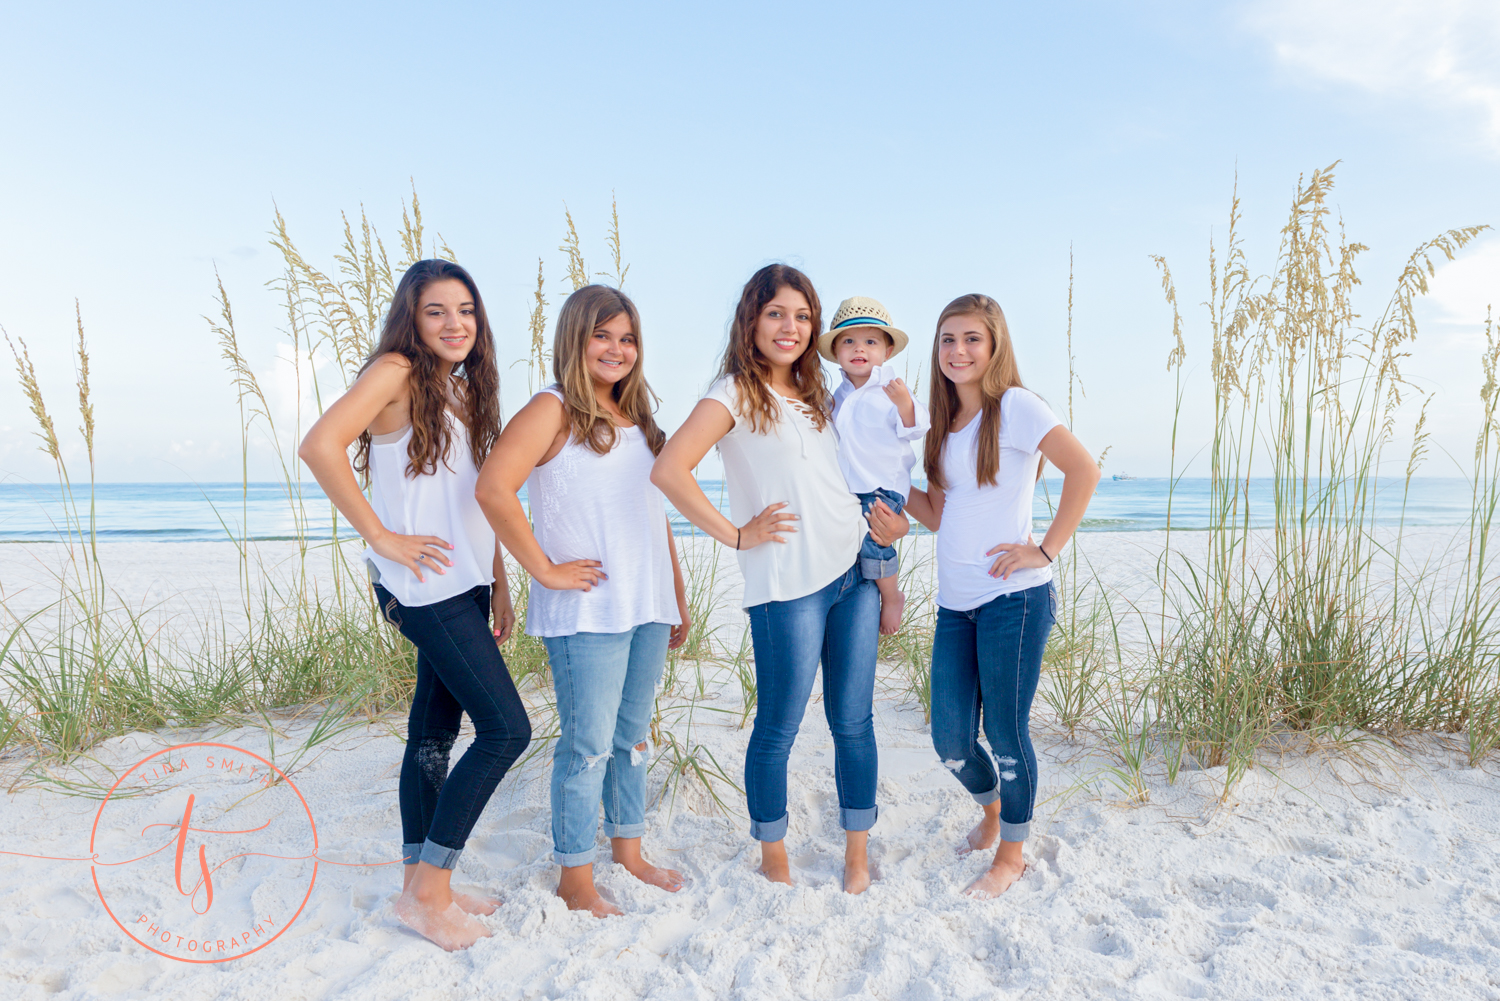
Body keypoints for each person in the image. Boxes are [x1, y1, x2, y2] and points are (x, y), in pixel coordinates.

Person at [651, 264, 909, 894]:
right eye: (775, 314)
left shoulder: (820, 395)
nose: (790, 327)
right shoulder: (734, 392)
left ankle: (856, 854)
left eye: (801, 316)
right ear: (752, 320)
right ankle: (774, 856)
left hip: (853, 571)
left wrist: (889, 557)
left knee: (854, 722)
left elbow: (863, 478)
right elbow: (670, 470)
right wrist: (738, 534)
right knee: (779, 727)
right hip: (786, 585)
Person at [297, 259, 531, 951]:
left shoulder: (460, 388)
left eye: (466, 309)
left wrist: (499, 576)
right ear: (412, 316)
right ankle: (428, 894)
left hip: (463, 581)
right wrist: (381, 535)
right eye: (437, 310)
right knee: (505, 730)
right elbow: (319, 445)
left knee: (433, 733)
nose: (455, 322)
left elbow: (472, 495)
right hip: (423, 588)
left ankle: (419, 880)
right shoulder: (396, 371)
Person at [475, 284, 691, 918]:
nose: (616, 349)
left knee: (632, 739)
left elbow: (654, 514)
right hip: (588, 609)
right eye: (602, 335)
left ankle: (627, 849)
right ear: (575, 338)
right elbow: (493, 488)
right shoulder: (552, 409)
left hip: (646, 601)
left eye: (627, 338)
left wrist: (674, 592)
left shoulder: (640, 419)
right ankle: (574, 875)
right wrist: (541, 569)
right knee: (587, 744)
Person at [904, 293, 1098, 899]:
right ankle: (992, 812)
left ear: (994, 347)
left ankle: (1011, 853)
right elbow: (937, 514)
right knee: (951, 739)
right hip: (954, 604)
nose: (958, 351)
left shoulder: (1015, 406)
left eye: (971, 339)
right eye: (948, 340)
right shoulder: (942, 427)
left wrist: (1044, 550)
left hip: (1014, 600)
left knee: (1008, 733)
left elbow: (1083, 469)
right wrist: (881, 480)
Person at [820, 296, 930, 636]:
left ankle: (892, 595)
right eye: (849, 341)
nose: (860, 349)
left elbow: (916, 427)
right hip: (849, 487)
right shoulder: (835, 395)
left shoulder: (891, 389)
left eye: (871, 342)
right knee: (850, 539)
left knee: (875, 538)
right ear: (837, 350)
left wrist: (904, 403)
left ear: (886, 351)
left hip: (883, 484)